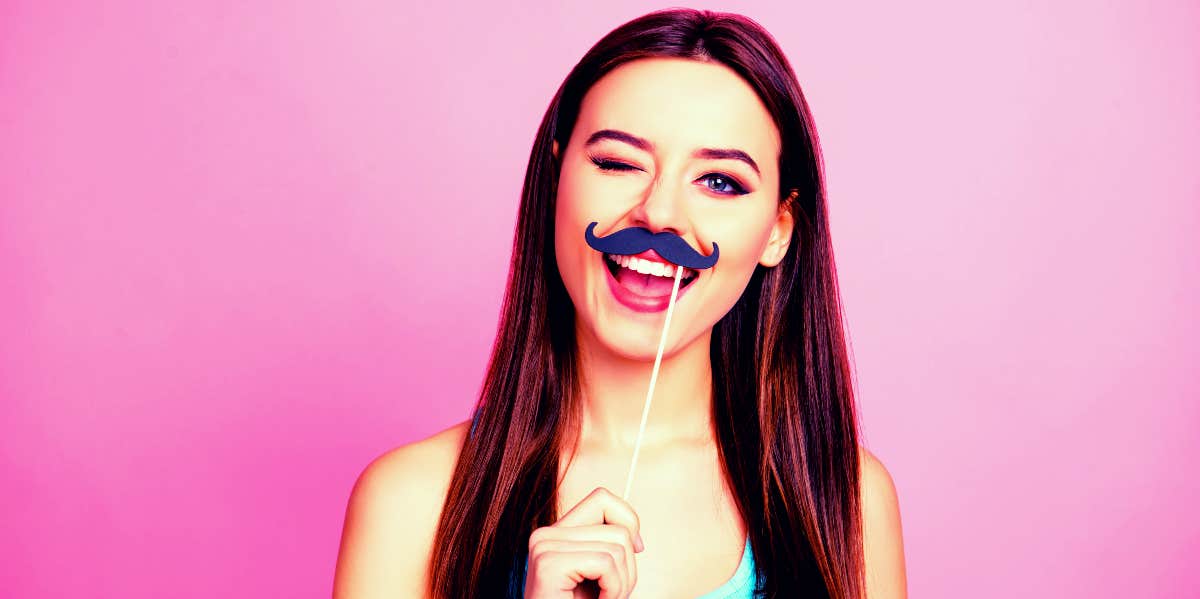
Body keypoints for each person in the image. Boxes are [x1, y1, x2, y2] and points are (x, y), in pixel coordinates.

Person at [334, 8, 906, 598]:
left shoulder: (848, 503)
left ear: (778, 231)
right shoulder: (411, 505)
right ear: (556, 180)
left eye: (719, 182)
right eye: (616, 163)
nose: (658, 214)